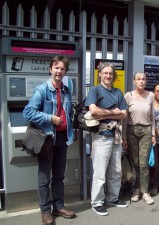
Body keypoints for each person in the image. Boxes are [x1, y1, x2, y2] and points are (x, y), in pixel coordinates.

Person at [23, 56, 76, 225]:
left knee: (59, 176)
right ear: (50, 69)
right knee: (44, 178)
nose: (59, 71)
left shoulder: (67, 90)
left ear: (65, 71)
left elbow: (68, 113)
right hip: (47, 139)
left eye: (62, 69)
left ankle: (58, 207)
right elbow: (28, 112)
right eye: (56, 68)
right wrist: (50, 118)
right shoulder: (42, 90)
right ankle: (45, 211)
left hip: (62, 139)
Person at [85, 62, 128, 216]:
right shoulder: (95, 90)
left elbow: (124, 114)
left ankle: (112, 198)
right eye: (105, 73)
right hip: (102, 136)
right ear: (100, 74)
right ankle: (97, 202)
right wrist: (112, 113)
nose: (108, 76)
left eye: (111, 73)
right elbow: (94, 111)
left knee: (116, 171)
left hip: (116, 136)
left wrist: (111, 114)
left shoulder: (118, 92)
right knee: (100, 172)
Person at [122, 72, 156, 205]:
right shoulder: (128, 96)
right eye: (138, 79)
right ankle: (136, 190)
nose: (141, 81)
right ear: (134, 81)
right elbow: (124, 118)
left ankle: (145, 192)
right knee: (135, 162)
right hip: (131, 131)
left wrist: (153, 133)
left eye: (143, 79)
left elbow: (153, 117)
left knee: (143, 163)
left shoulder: (151, 95)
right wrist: (124, 135)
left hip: (146, 131)